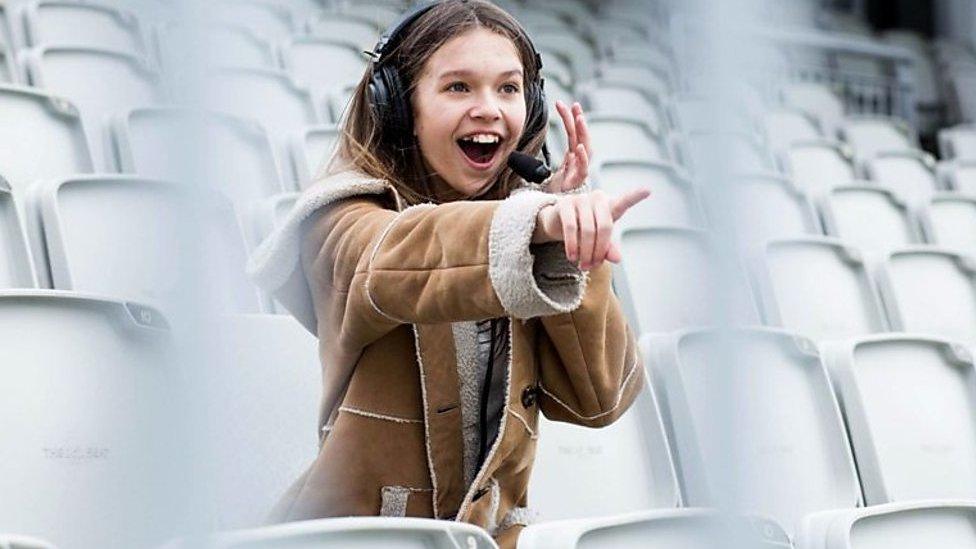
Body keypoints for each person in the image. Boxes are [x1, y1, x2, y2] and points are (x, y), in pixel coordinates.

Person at [247, 1, 650, 546]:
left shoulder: (529, 230)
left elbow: (599, 399)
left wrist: (570, 245)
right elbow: (401, 256)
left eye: (507, 89)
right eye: (458, 87)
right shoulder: (339, 221)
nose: (488, 108)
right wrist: (532, 225)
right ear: (399, 108)